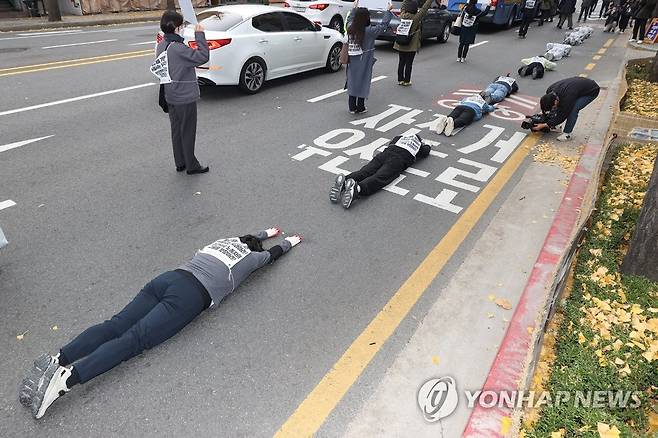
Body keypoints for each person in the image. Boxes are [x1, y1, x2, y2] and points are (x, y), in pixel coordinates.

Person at [19, 228, 303, 419]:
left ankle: (57, 359)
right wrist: (290, 241)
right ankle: (66, 380)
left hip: (168, 278)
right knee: (134, 340)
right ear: (252, 249)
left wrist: (268, 231)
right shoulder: (252, 259)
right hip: (190, 296)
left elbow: (249, 237)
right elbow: (272, 255)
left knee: (115, 324)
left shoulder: (221, 242)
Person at [155, 11, 210, 175]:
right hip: (184, 97)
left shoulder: (162, 44)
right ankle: (192, 165)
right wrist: (199, 34)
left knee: (177, 130)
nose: (184, 28)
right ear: (177, 28)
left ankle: (180, 162)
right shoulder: (178, 48)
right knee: (187, 131)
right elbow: (203, 56)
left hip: (170, 95)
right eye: (183, 26)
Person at [329, 134, 431, 209]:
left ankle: (345, 181)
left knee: (365, 171)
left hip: (384, 154)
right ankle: (358, 188)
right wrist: (427, 144)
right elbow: (425, 152)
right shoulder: (418, 145)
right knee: (380, 177)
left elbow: (392, 141)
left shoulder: (399, 138)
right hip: (398, 160)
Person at [345, 1, 394, 113]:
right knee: (363, 81)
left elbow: (349, 20)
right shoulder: (370, 31)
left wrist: (354, 9)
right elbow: (383, 25)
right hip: (365, 60)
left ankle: (352, 107)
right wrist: (388, 11)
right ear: (367, 18)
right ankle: (360, 106)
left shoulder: (350, 28)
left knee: (352, 81)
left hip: (352, 60)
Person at [534, 77, 600, 141]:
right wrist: (546, 118)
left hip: (592, 90)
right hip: (576, 86)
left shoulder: (567, 97)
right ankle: (555, 126)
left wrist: (546, 124)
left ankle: (567, 134)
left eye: (553, 106)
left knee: (573, 110)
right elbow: (550, 107)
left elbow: (563, 114)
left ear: (555, 101)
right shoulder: (549, 90)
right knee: (558, 107)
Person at [394, 0, 433, 86]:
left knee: (401, 61)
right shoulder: (416, 17)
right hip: (412, 44)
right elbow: (425, 8)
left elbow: (403, 6)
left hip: (401, 42)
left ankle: (400, 79)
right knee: (409, 63)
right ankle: (407, 81)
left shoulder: (402, 15)